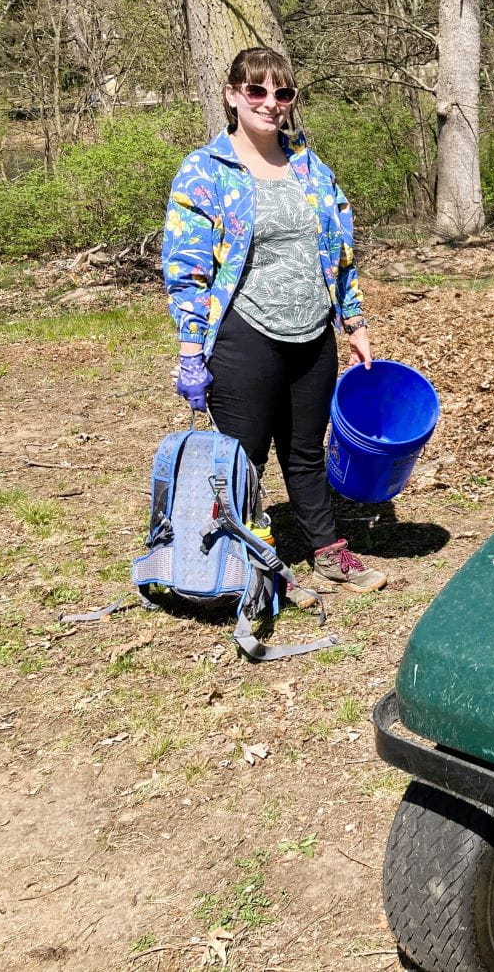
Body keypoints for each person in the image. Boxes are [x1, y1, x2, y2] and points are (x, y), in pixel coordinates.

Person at [161, 46, 387, 594]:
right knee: (243, 458)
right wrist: (191, 350)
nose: (270, 102)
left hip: (312, 333)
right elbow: (185, 266)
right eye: (257, 91)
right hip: (244, 333)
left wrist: (352, 323)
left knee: (307, 450)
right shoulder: (205, 170)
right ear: (232, 94)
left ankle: (328, 552)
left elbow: (340, 251)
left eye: (282, 92)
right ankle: (238, 563)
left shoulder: (311, 168)